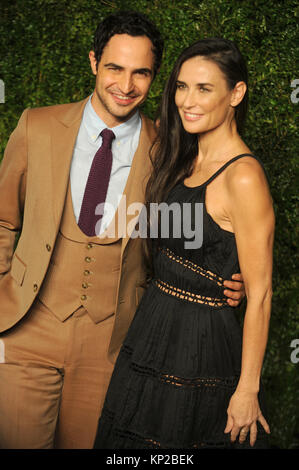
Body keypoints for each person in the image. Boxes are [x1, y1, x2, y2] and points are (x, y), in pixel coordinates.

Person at [0, 13, 244, 449]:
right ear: (94, 62)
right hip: (26, 333)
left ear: (155, 78)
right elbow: (2, 220)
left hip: (113, 345)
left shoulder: (169, 152)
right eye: (114, 68)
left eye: (141, 73)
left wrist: (224, 280)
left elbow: (187, 236)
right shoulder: (36, 126)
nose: (126, 85)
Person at [94, 37, 274, 449]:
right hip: (153, 327)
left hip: (202, 343)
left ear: (236, 93)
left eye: (204, 88)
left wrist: (248, 389)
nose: (187, 100)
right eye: (181, 86)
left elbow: (261, 293)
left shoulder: (243, 177)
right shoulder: (181, 156)